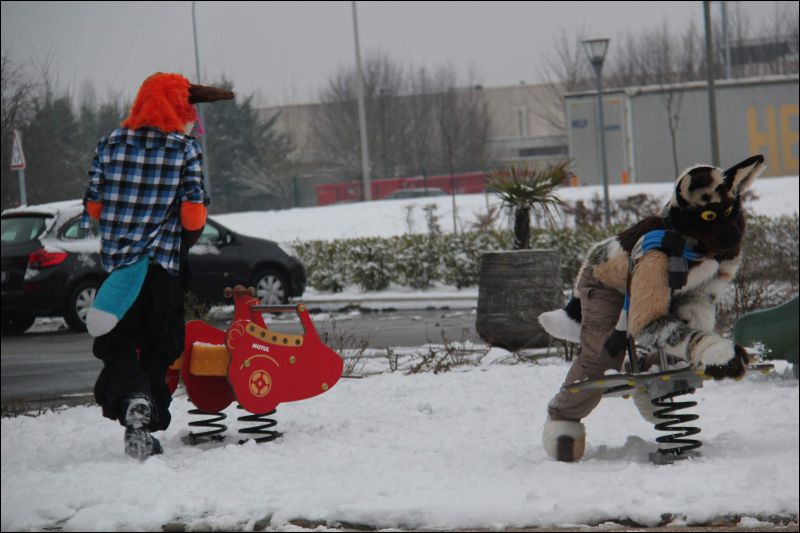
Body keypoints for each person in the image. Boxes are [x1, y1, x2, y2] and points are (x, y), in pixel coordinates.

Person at [80, 72, 233, 460]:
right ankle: (144, 415)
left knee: (114, 345)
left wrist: (124, 218)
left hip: (120, 269)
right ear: (179, 107)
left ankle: (133, 405)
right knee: (158, 348)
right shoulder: (183, 149)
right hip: (163, 269)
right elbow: (194, 214)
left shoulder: (109, 143)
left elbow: (93, 205)